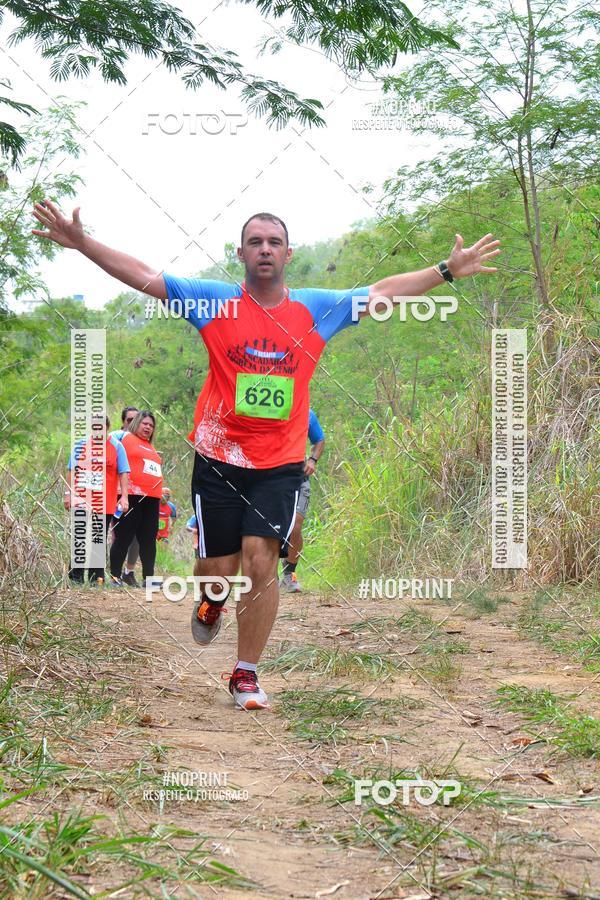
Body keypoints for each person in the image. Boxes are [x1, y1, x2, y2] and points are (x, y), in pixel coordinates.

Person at [32, 200, 500, 710]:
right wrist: (83, 244)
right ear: (240, 253)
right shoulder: (213, 302)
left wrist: (446, 270)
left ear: (288, 254)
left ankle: (246, 673)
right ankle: (211, 601)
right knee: (217, 568)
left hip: (279, 463)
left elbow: (384, 291)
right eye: (255, 242)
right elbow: (145, 275)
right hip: (217, 458)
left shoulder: (317, 308)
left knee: (261, 561)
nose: (265, 250)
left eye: (274, 242)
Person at [65, 415, 130, 584]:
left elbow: (123, 472)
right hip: (81, 499)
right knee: (80, 537)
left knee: (98, 539)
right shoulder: (80, 444)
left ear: (107, 427)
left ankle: (96, 579)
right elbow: (71, 470)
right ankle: (75, 578)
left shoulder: (116, 446)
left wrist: (124, 497)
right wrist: (68, 494)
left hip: (104, 502)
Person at [108, 410, 163, 587]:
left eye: (152, 425)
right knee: (123, 536)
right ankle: (115, 577)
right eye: (145, 423)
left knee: (148, 539)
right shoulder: (122, 436)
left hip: (152, 498)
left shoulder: (151, 447)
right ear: (136, 423)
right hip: (129, 495)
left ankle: (149, 578)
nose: (148, 427)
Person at [280, 407, 324, 593]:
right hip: (272, 477)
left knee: (296, 526)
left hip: (299, 478)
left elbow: (319, 439)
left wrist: (313, 460)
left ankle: (289, 574)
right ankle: (265, 575)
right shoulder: (271, 409)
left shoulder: (307, 413)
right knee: (271, 527)